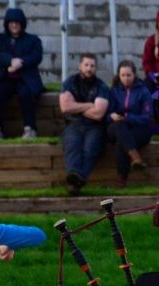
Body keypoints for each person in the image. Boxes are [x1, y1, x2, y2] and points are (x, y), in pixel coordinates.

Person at [0, 8, 44, 140]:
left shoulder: (33, 39)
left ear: (22, 24)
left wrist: (21, 63)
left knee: (26, 94)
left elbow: (37, 56)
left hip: (25, 79)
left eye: (17, 22)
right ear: (7, 24)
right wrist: (10, 61)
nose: (14, 25)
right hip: (5, 78)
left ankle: (30, 128)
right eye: (11, 22)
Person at [59, 53, 110, 195]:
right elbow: (65, 107)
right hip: (73, 124)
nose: (89, 68)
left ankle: (75, 181)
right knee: (72, 145)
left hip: (95, 126)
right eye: (86, 65)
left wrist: (76, 106)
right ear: (80, 66)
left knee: (91, 148)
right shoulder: (69, 82)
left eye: (92, 66)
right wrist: (89, 105)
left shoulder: (102, 86)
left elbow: (98, 113)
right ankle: (76, 178)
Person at [107, 60, 153, 189]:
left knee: (122, 141)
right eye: (123, 75)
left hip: (139, 128)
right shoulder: (114, 91)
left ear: (134, 75)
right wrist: (111, 116)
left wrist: (127, 118)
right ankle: (135, 156)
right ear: (118, 75)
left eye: (129, 75)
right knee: (120, 128)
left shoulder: (143, 91)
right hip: (116, 127)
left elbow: (147, 116)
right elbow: (106, 113)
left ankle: (121, 177)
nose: (126, 78)